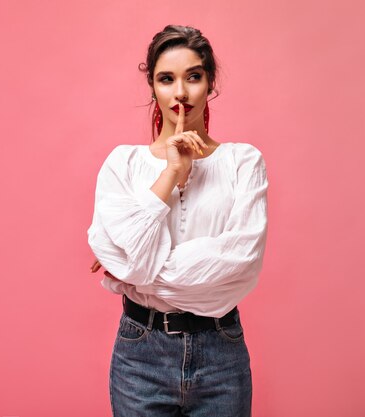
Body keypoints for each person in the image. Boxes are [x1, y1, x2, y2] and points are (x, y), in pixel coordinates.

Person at [87, 24, 268, 417]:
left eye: (194, 76)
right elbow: (142, 261)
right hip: (141, 356)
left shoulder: (243, 162)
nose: (181, 93)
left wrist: (134, 271)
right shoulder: (123, 164)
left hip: (221, 351)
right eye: (167, 79)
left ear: (211, 83)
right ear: (152, 87)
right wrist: (170, 174)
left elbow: (242, 263)